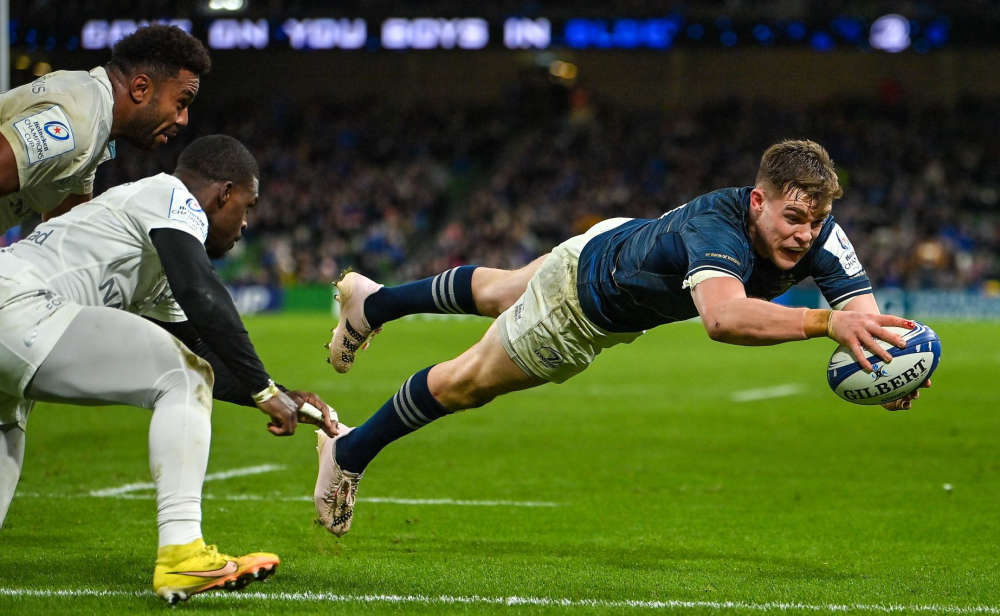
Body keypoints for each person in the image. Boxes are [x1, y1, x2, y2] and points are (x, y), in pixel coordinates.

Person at [314, 139, 931, 537]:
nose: (805, 234)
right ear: (757, 200)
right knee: (467, 382)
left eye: (816, 220)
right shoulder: (721, 226)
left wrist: (880, 359)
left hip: (613, 239)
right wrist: (828, 323)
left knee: (498, 290)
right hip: (582, 306)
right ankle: (348, 452)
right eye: (792, 218)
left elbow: (863, 316)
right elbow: (722, 318)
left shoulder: (822, 231)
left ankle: (376, 302)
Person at [0, 135, 337, 603]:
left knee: (7, 436)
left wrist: (284, 395)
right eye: (246, 205)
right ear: (223, 193)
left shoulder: (154, 248)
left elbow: (199, 343)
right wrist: (264, 391)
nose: (245, 224)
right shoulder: (170, 195)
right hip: (18, 306)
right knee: (183, 376)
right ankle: (182, 554)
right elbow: (203, 296)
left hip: (14, 317)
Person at [0, 24, 210, 231]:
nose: (184, 120)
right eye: (181, 104)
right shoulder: (80, 121)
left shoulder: (96, 123)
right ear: (141, 88)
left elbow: (63, 235)